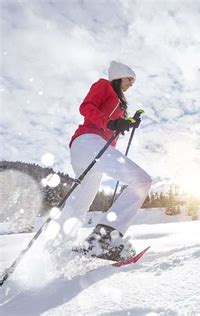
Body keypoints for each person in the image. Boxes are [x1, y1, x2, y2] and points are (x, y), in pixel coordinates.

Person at [50, 61, 152, 261]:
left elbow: (112, 123)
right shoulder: (104, 85)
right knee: (142, 181)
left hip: (89, 149)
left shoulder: (120, 103)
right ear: (119, 76)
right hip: (88, 142)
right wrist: (112, 122)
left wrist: (127, 121)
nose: (131, 84)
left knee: (80, 204)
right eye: (129, 79)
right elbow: (87, 107)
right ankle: (105, 240)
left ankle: (57, 254)